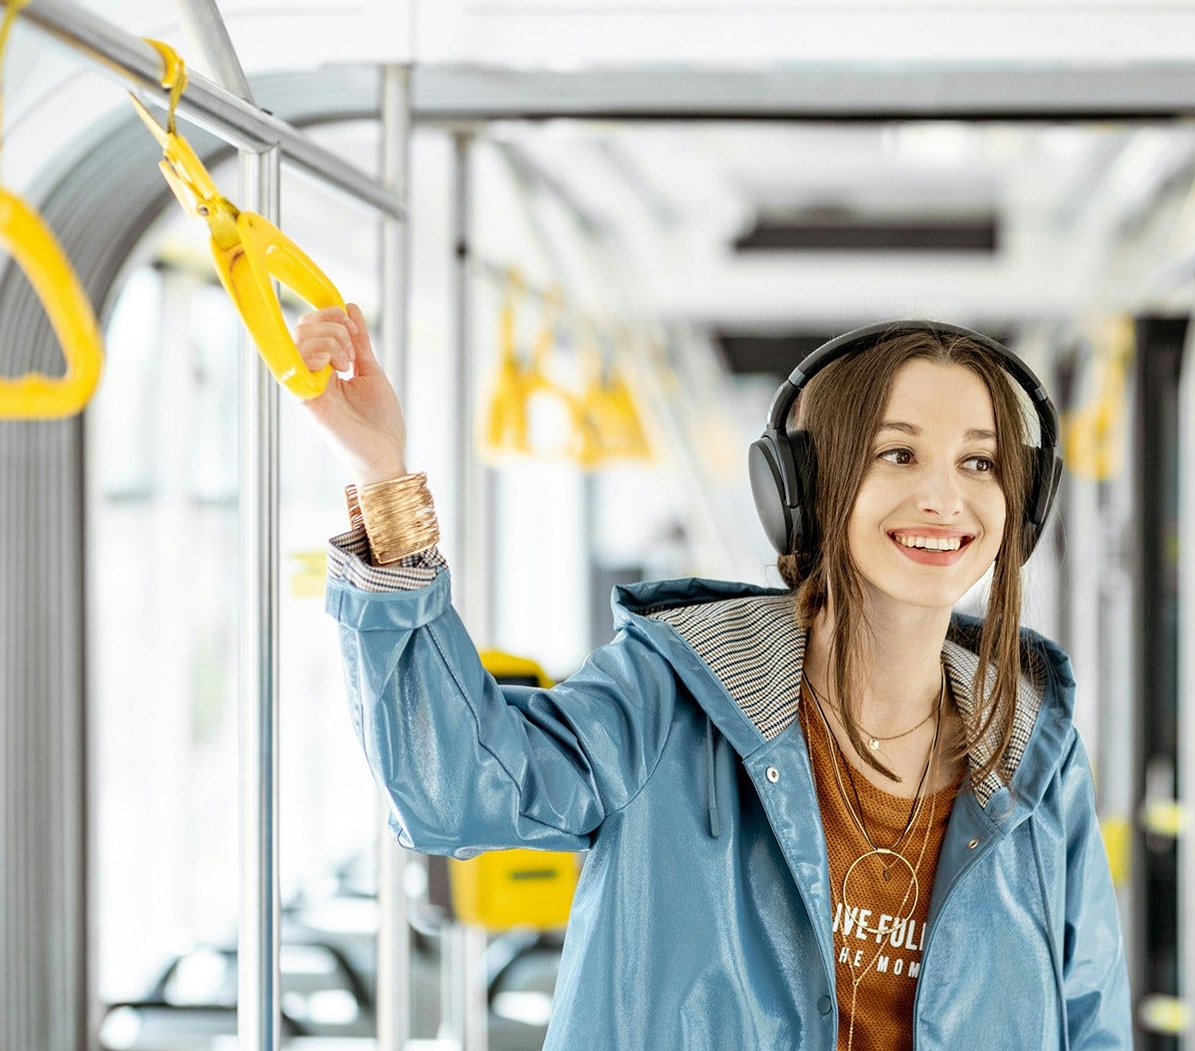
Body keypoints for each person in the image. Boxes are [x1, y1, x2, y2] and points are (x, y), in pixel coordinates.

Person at [296, 303, 1131, 1050]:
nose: (945, 499)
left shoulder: (1030, 746)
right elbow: (453, 791)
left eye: (980, 464)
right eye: (898, 454)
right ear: (804, 487)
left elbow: (1089, 1011)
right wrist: (382, 478)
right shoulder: (674, 694)